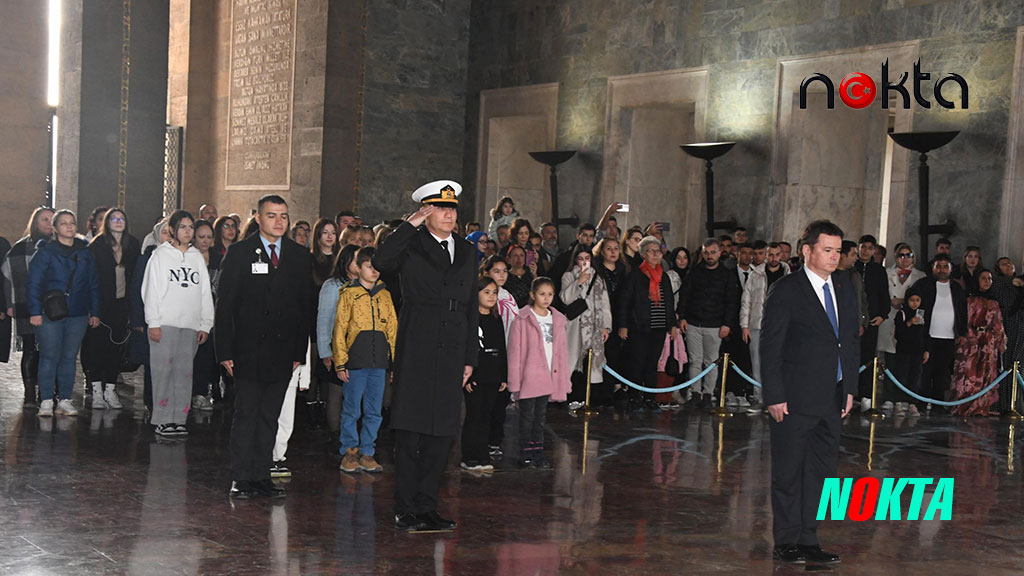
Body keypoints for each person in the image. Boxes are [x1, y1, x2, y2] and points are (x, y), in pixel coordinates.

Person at [372, 180, 478, 532]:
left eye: (452, 209)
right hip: (418, 342)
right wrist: (410, 224)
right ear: (426, 212)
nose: (448, 215)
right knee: (411, 431)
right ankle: (405, 507)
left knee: (442, 433)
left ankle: (427, 506)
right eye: (440, 209)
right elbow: (381, 260)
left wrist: (470, 357)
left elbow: (471, 306)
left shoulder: (465, 250)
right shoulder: (411, 244)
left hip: (453, 345)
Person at [761, 220, 859, 565]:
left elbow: (848, 341)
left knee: (821, 472)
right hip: (793, 398)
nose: (835, 257)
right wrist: (774, 394)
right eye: (827, 250)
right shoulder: (787, 289)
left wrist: (849, 388)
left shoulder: (845, 287)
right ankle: (786, 540)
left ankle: (808, 538)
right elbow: (770, 346)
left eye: (838, 250)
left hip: (832, 397)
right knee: (788, 472)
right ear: (807, 250)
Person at [216, 195, 313, 499]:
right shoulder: (240, 252)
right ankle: (242, 477)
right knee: (246, 413)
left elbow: (304, 307)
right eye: (272, 216)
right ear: (258, 218)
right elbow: (226, 306)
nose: (279, 222)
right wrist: (225, 351)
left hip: (283, 351)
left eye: (283, 216)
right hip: (246, 348)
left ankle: (262, 475)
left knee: (270, 414)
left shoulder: (299, 255)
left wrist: (300, 352)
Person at [141, 210, 215, 437]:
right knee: (164, 372)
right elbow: (150, 291)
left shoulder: (196, 258)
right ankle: (163, 419)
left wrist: (205, 323)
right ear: (172, 230)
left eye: (190, 227)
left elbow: (205, 292)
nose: (187, 231)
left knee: (184, 373)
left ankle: (179, 418)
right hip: (165, 324)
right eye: (182, 227)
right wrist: (153, 322)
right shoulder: (160, 256)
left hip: (190, 325)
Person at [27, 210, 101, 417]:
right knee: (49, 356)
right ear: (55, 228)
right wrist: (34, 311)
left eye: (72, 223)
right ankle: (46, 401)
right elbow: (33, 283)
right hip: (50, 313)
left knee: (69, 357)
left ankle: (65, 399)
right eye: (63, 223)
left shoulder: (85, 253)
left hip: (77, 313)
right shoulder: (45, 253)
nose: (69, 227)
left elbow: (93, 284)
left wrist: (94, 311)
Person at [334, 247, 397, 474]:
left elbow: (393, 329)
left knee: (374, 410)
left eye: (376, 267)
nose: (374, 271)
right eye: (369, 266)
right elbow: (340, 328)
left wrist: (393, 362)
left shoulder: (385, 295)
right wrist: (340, 362)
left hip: (378, 362)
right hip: (356, 361)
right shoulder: (348, 294)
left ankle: (368, 451)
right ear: (357, 268)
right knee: (352, 409)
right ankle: (349, 451)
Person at [507, 277, 570, 468]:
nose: (546, 298)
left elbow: (562, 352)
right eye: (542, 294)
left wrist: (563, 380)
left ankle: (538, 453)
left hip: (549, 375)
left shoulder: (558, 319)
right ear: (533, 295)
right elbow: (515, 352)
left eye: (550, 294)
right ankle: (526, 453)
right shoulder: (522, 319)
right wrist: (515, 382)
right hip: (529, 376)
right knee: (527, 417)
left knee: (541, 417)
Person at [82, 208, 139, 410]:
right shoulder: (97, 245)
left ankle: (110, 389)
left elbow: (135, 277)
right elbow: (90, 279)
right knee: (97, 348)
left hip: (122, 305)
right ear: (106, 222)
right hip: (100, 304)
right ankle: (97, 390)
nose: (118, 221)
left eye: (121, 218)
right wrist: (92, 309)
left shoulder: (132, 244)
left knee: (116, 349)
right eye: (114, 218)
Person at [616, 237, 681, 411]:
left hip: (659, 327)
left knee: (652, 363)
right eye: (651, 251)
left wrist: (672, 325)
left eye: (657, 251)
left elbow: (669, 302)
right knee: (637, 362)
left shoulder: (664, 277)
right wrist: (623, 325)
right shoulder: (635, 275)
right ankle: (635, 397)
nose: (655, 254)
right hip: (640, 326)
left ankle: (650, 398)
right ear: (643, 254)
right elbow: (625, 302)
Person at [676, 238, 740, 408]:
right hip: (693, 323)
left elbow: (732, 302)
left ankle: (708, 394)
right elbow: (685, 296)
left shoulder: (727, 275)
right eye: (706, 252)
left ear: (720, 253)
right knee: (695, 360)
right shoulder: (694, 272)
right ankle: (695, 393)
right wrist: (682, 317)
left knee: (711, 361)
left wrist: (727, 324)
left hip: (715, 325)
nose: (709, 256)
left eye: (713, 252)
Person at [2, 207, 55, 407]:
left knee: (51, 351)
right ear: (35, 223)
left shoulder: (61, 245)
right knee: (31, 350)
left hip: (54, 308)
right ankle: (30, 393)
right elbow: (7, 278)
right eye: (44, 219)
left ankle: (47, 391)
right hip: (26, 306)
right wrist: (9, 304)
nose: (49, 223)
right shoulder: (19, 248)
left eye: (52, 219)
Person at [315, 244, 361, 450]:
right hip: (338, 347)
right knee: (336, 393)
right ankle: (335, 436)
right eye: (355, 260)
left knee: (356, 394)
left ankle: (354, 436)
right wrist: (326, 352)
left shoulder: (367, 284)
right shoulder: (332, 286)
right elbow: (324, 320)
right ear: (345, 262)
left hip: (359, 350)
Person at [461, 276, 507, 472]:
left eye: (494, 293)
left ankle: (482, 454)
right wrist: (469, 375)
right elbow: (465, 349)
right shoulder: (469, 320)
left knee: (487, 417)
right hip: (476, 377)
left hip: (492, 376)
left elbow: (502, 348)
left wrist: (503, 376)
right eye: (486, 292)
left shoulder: (496, 319)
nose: (491, 296)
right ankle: (469, 456)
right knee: (474, 416)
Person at [911, 254, 968, 410]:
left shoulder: (957, 288)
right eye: (939, 266)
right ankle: (921, 404)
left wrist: (962, 333)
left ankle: (938, 404)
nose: (942, 270)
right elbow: (916, 307)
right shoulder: (922, 285)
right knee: (924, 372)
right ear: (933, 267)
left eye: (945, 266)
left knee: (941, 373)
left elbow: (963, 312)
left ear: (950, 268)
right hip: (927, 335)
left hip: (948, 337)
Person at [741, 242, 791, 412]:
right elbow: (746, 301)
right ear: (765, 255)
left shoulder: (789, 275)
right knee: (757, 363)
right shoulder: (756, 275)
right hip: (758, 325)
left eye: (777, 255)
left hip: (782, 326)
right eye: (770, 255)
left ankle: (778, 398)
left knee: (781, 362)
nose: (774, 258)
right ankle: (759, 397)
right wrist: (744, 325)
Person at [560, 244, 611, 406]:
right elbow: (565, 298)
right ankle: (566, 395)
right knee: (571, 359)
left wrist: (606, 326)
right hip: (575, 325)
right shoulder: (568, 276)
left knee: (592, 362)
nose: (584, 262)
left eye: (587, 258)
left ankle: (590, 398)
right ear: (575, 260)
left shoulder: (598, 278)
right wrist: (578, 282)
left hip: (594, 326)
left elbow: (605, 305)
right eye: (580, 259)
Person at [876, 244, 926, 411]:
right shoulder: (886, 273)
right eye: (901, 255)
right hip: (890, 318)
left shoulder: (920, 276)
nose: (905, 259)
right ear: (896, 257)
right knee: (889, 361)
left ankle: (906, 399)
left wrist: (905, 301)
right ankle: (889, 397)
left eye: (908, 255)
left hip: (910, 326)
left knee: (907, 365)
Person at [952, 270, 1005, 416]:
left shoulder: (994, 301)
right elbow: (963, 320)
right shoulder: (969, 299)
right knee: (970, 373)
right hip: (972, 340)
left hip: (988, 341)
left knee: (986, 373)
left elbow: (998, 323)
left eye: (989, 278)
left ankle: (982, 406)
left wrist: (1001, 341)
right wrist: (968, 336)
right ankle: (965, 405)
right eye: (983, 278)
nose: (987, 281)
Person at [479, 255, 517, 459]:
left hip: (506, 353)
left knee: (500, 401)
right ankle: (481, 442)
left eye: (504, 271)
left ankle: (495, 440)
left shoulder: (508, 297)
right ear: (486, 273)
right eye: (496, 271)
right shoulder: (480, 296)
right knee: (484, 403)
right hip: (488, 353)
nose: (501, 275)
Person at [853, 235, 889, 410]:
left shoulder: (879, 271)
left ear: (874, 250)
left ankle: (866, 396)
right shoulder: (852, 268)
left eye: (869, 248)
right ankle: (850, 395)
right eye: (863, 247)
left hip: (872, 322)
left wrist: (882, 315)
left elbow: (884, 296)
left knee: (868, 359)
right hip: (852, 322)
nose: (866, 251)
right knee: (851, 357)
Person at [190, 219, 220, 411]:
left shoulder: (218, 258)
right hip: (191, 312)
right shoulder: (188, 257)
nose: (205, 241)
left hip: (213, 314)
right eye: (201, 237)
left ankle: (201, 392)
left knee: (206, 355)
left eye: (209, 237)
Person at [892, 287, 927, 417]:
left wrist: (926, 350)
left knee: (915, 377)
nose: (915, 303)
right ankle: (899, 402)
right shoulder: (902, 313)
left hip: (917, 351)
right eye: (912, 300)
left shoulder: (922, 314)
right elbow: (899, 333)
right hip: (904, 350)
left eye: (917, 300)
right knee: (902, 375)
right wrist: (910, 323)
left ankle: (912, 403)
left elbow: (924, 334)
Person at [311, 218, 338, 288]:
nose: (330, 236)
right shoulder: (310, 258)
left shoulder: (340, 257)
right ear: (318, 235)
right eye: (325, 232)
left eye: (333, 233)